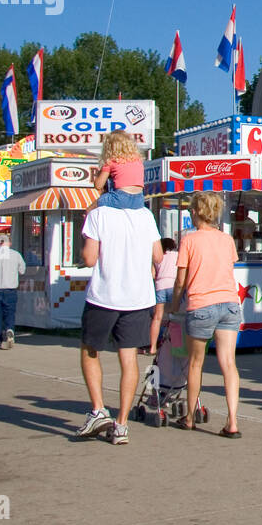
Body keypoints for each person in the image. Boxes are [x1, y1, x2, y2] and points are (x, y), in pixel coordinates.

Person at [76, 190, 162, 444]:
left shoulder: (98, 214)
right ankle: (122, 424)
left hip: (105, 295)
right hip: (138, 296)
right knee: (129, 357)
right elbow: (158, 256)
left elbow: (89, 258)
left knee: (90, 350)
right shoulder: (146, 215)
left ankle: (99, 409)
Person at [167, 192, 243, 437]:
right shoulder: (226, 239)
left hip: (201, 305)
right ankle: (232, 422)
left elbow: (181, 280)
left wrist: (174, 304)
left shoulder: (189, 240)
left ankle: (189, 417)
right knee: (229, 364)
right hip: (229, 303)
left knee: (196, 363)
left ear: (196, 212)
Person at [93, 130, 146, 209]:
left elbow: (98, 185)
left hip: (121, 198)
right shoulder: (138, 161)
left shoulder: (111, 162)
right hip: (139, 200)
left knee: (98, 202)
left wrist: (99, 173)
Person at [149, 237, 178, 355]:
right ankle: (175, 345)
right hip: (173, 285)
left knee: (157, 317)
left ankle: (152, 347)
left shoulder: (157, 257)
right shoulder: (177, 255)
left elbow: (152, 274)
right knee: (175, 316)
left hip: (160, 286)